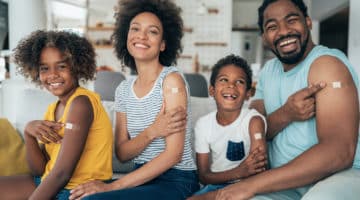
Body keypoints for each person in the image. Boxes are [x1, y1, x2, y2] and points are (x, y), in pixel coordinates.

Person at [199, 0, 360, 199]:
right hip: (282, 184)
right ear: (264, 37)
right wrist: (287, 113)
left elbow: (339, 152)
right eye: (272, 27)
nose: (284, 31)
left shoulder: (326, 65)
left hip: (336, 176)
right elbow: (250, 132)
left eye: (291, 20)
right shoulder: (268, 72)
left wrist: (251, 185)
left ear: (308, 22)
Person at [69, 0, 199, 199]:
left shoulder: (171, 81)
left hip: (176, 180)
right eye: (135, 29)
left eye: (153, 31)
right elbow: (122, 153)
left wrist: (111, 187)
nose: (142, 36)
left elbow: (174, 155)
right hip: (140, 176)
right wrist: (153, 131)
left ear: (164, 44)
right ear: (126, 36)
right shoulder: (123, 90)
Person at [0, 30, 113, 200]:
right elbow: (40, 169)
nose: (52, 74)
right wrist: (29, 134)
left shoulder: (81, 103)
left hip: (76, 190)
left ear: (77, 67)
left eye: (61, 66)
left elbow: (62, 173)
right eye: (44, 68)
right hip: (49, 182)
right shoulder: (53, 108)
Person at [188, 55, 268, 199]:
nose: (231, 85)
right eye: (224, 80)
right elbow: (204, 176)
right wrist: (239, 171)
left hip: (249, 185)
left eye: (239, 82)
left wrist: (241, 176)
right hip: (217, 185)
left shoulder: (253, 121)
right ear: (212, 90)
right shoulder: (203, 125)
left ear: (248, 94)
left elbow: (258, 170)